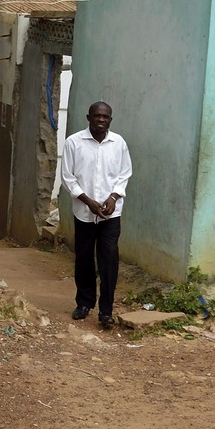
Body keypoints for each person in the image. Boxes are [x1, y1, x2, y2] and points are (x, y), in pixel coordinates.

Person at [60, 101, 132, 329]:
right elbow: (68, 178)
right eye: (97, 116)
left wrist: (113, 198)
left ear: (110, 120)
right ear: (88, 117)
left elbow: (124, 174)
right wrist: (88, 202)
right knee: (83, 258)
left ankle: (106, 311)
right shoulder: (74, 142)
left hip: (111, 214)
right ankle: (84, 303)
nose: (101, 119)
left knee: (109, 260)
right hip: (84, 213)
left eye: (105, 117)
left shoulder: (118, 143)